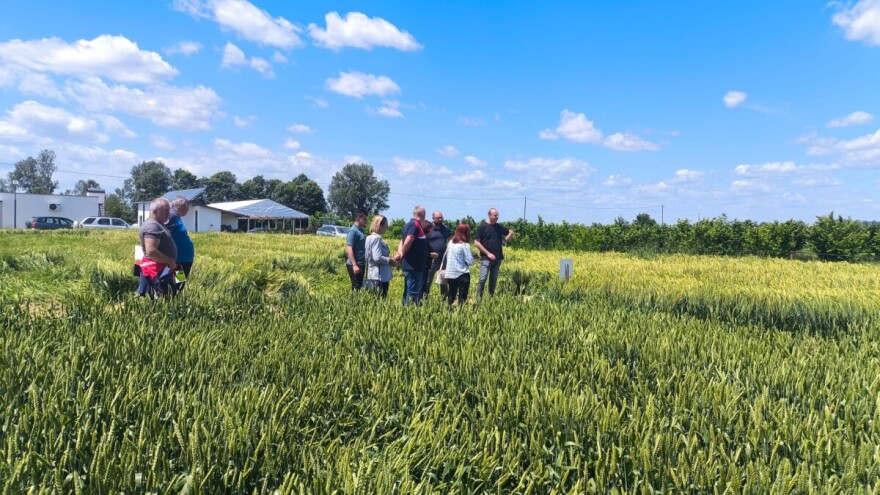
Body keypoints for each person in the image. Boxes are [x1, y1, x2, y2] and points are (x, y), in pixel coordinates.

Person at [136, 198, 178, 298]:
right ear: (155, 211)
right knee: (164, 296)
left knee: (176, 290)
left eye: (169, 210)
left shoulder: (159, 224)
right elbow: (151, 252)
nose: (169, 214)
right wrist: (170, 261)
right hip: (158, 269)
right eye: (166, 211)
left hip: (168, 266)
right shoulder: (152, 226)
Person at [474, 207, 514, 300]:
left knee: (493, 280)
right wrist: (488, 254)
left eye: (498, 215)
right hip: (486, 258)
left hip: (497, 258)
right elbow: (476, 243)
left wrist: (504, 240)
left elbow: (511, 232)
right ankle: (478, 299)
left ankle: (490, 299)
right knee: (482, 279)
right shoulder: (482, 227)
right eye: (495, 215)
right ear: (489, 215)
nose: (497, 217)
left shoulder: (498, 227)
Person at [394, 205, 428, 304]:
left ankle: (404, 309)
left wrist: (400, 252)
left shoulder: (408, 224)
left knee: (408, 290)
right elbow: (408, 241)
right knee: (413, 292)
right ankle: (410, 312)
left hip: (411, 265)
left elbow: (402, 241)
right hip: (414, 265)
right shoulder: (415, 225)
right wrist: (403, 253)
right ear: (422, 214)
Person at [444, 222, 475, 307]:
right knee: (462, 297)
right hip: (462, 274)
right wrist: (474, 257)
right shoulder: (465, 245)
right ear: (466, 232)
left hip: (450, 273)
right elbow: (470, 261)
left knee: (451, 294)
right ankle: (460, 314)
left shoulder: (450, 242)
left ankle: (449, 311)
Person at [167, 195, 194, 289]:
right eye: (188, 206)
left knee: (179, 284)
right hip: (178, 261)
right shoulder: (171, 216)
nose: (188, 209)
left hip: (182, 261)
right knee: (176, 286)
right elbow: (163, 236)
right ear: (183, 205)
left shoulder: (175, 216)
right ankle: (171, 302)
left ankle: (174, 301)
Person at [364, 214, 395, 297]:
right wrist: (389, 260)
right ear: (379, 226)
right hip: (380, 277)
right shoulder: (377, 239)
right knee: (379, 300)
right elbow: (377, 257)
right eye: (386, 225)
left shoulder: (369, 237)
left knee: (373, 300)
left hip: (372, 275)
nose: (387, 228)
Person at [424, 210, 452, 298]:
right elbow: (424, 243)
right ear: (433, 218)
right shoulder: (428, 229)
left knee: (443, 281)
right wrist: (429, 253)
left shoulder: (446, 229)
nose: (440, 219)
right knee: (428, 280)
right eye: (438, 218)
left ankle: (445, 299)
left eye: (441, 217)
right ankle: (424, 298)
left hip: (443, 259)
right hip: (431, 259)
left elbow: (450, 240)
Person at [345, 212, 367, 291]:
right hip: (354, 264)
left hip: (361, 263)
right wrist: (354, 265)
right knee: (356, 286)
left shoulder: (361, 230)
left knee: (359, 285)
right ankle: (353, 302)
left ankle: (354, 301)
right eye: (364, 219)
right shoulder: (353, 231)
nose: (365, 221)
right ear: (358, 219)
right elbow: (349, 247)